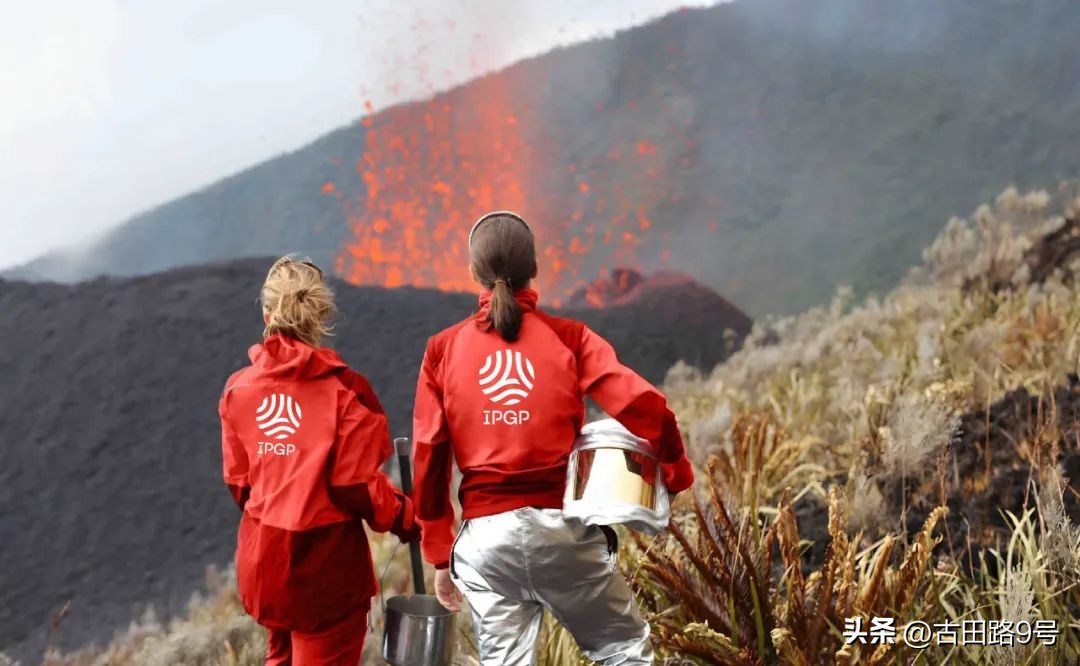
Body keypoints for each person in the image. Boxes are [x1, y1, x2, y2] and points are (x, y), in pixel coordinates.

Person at [412, 212, 695, 665]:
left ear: (474, 274)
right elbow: (645, 407)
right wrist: (675, 471)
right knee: (623, 650)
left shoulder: (441, 351)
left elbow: (429, 458)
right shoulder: (571, 339)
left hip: (485, 545)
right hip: (563, 530)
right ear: (535, 267)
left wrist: (440, 555)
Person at [218, 256, 419, 666]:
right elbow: (355, 487)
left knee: (280, 657)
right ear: (321, 315)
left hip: (265, 563)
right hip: (325, 570)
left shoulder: (238, 389)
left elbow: (240, 485)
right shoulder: (345, 391)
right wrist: (405, 517)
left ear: (266, 312)